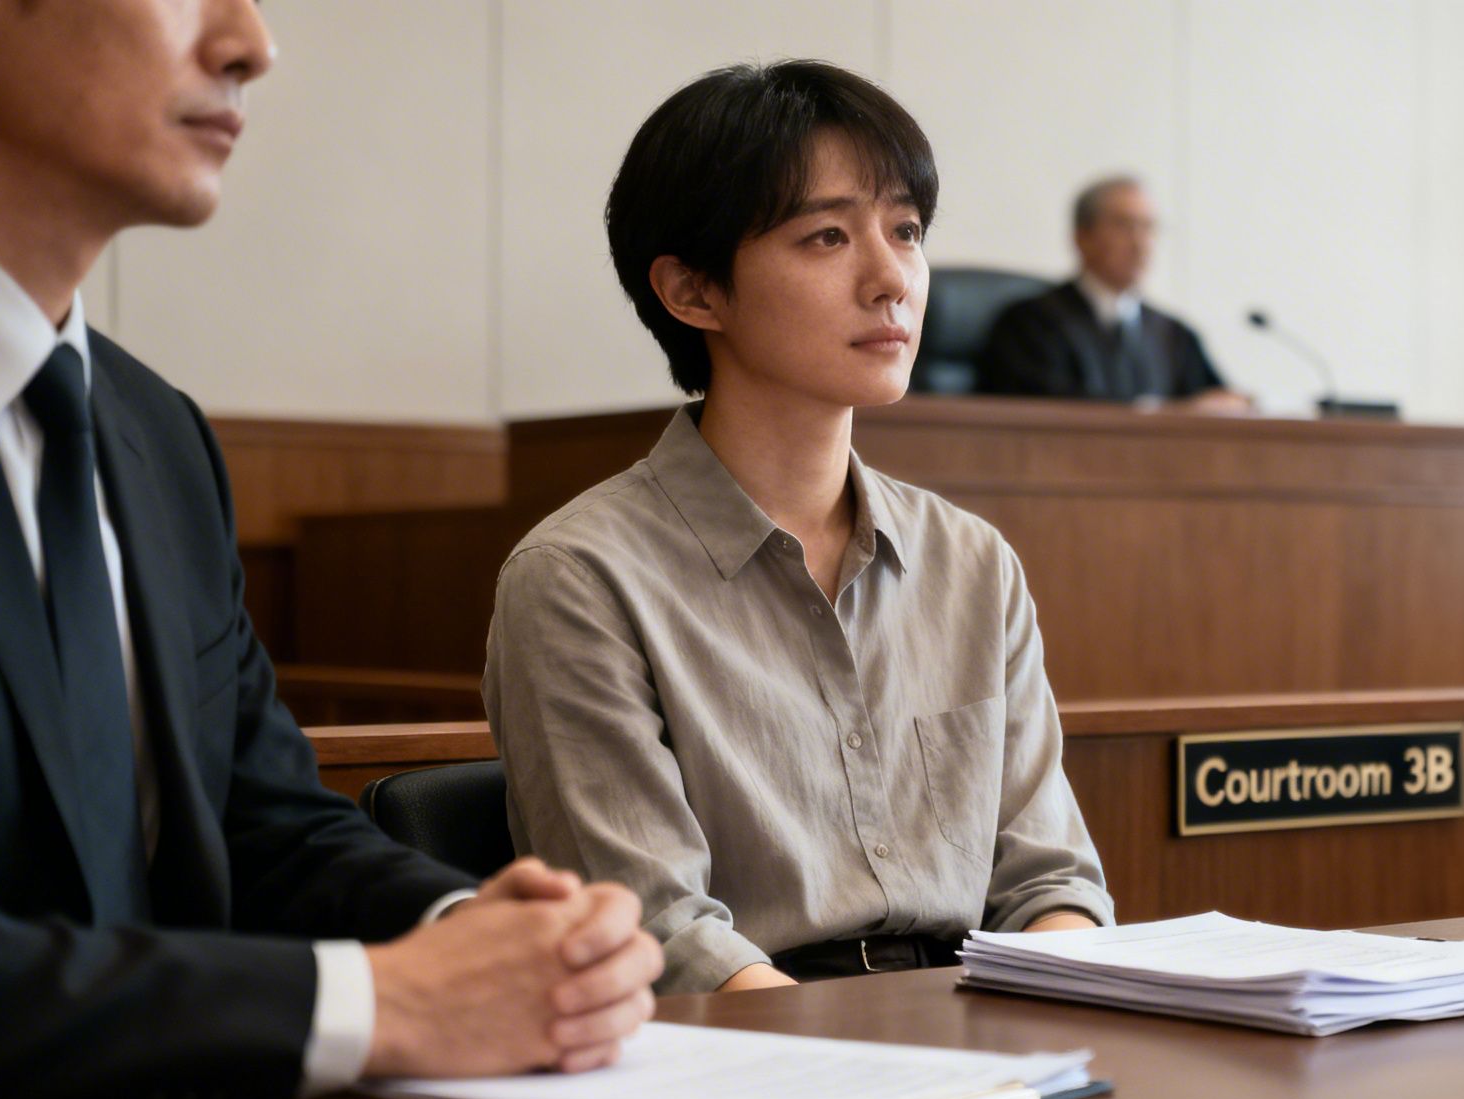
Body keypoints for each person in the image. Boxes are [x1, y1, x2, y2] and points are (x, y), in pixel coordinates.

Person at [0, 0, 662, 1099]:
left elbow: (265, 822)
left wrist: (477, 939)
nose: (252, 43)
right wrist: (370, 1003)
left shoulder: (157, 435)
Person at [484, 60, 1114, 997]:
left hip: (980, 1030)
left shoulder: (970, 561)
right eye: (827, 236)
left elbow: (1049, 881)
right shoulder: (580, 576)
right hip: (749, 1055)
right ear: (695, 293)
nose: (891, 275)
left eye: (905, 230)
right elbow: (660, 931)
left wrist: (1057, 1017)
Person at [977, 176, 1250, 410]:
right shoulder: (1030, 325)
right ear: (1082, 237)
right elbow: (1046, 410)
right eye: (1124, 225)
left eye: (1148, 227)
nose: (1140, 244)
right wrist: (1163, 413)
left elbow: (1220, 400)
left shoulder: (1173, 334)